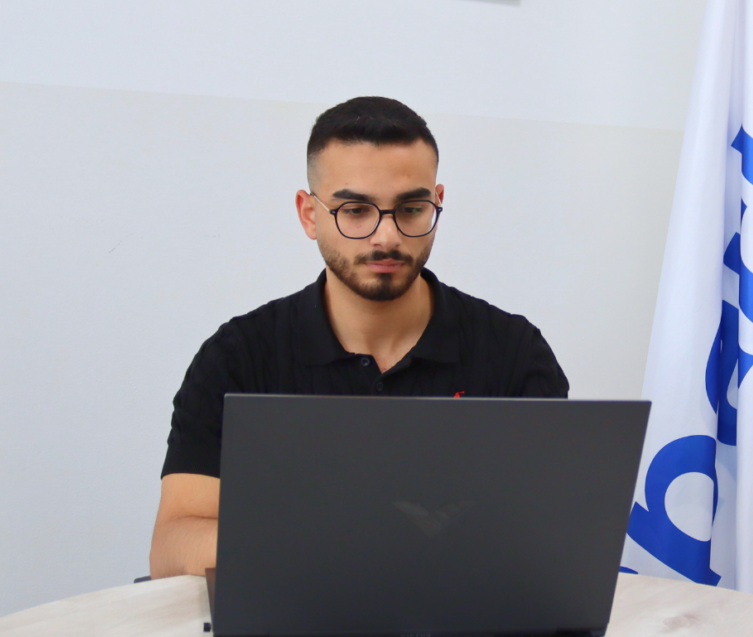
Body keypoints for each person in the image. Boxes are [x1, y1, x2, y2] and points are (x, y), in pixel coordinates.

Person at [148, 97, 569, 578]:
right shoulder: (239, 357)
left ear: (437, 203)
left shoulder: (513, 352)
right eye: (355, 209)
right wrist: (341, 542)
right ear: (310, 215)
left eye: (411, 209)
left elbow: (544, 544)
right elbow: (172, 546)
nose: (385, 238)